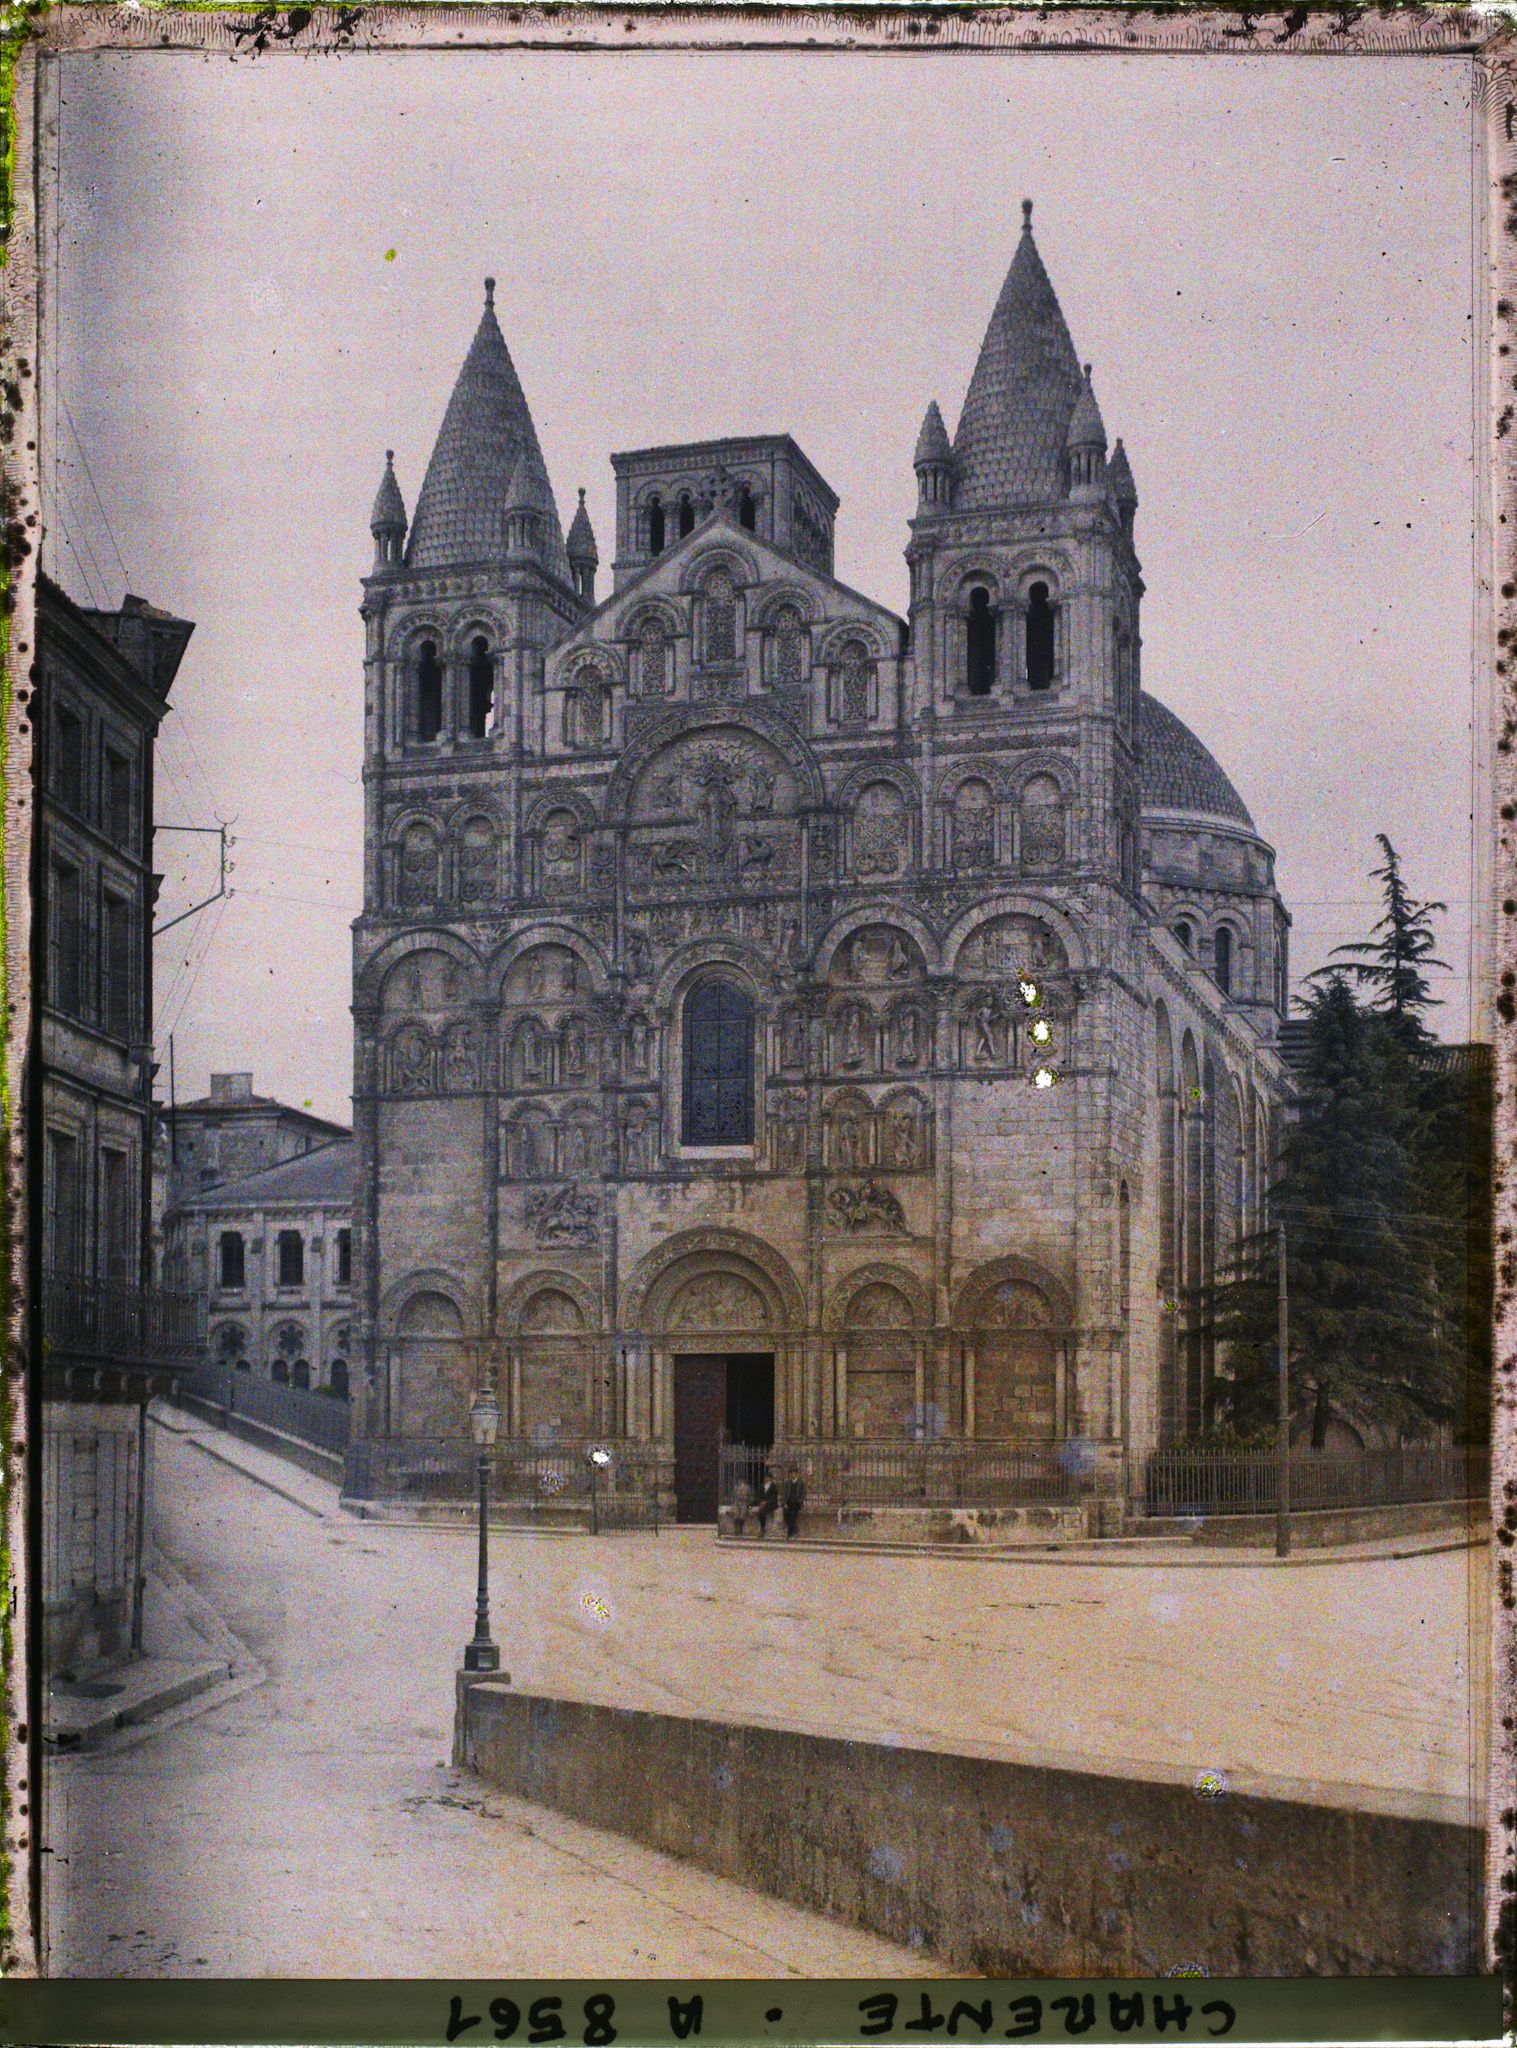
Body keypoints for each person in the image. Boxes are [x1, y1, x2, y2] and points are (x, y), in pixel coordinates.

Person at [782, 1466, 806, 1540]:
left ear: (797, 1474)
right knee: (785, 1514)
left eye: (793, 1473)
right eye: (790, 1473)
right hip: (788, 1502)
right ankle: (794, 1528)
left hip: (796, 1503)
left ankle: (789, 1534)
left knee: (792, 1516)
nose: (792, 1475)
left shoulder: (801, 1483)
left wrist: (800, 1501)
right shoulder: (787, 1482)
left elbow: (803, 1493)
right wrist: (784, 1503)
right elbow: (784, 1493)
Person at [755, 1471, 779, 1539]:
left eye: (767, 1477)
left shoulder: (774, 1486)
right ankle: (762, 1528)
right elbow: (757, 1496)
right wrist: (760, 1502)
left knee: (763, 1511)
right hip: (762, 1504)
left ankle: (763, 1529)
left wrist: (766, 1502)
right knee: (761, 1512)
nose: (766, 1479)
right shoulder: (761, 1486)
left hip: (771, 1504)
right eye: (765, 1477)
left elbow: (774, 1497)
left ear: (770, 1478)